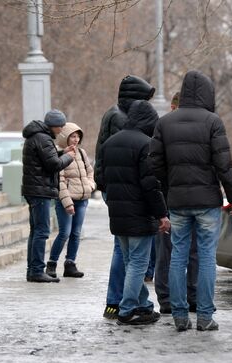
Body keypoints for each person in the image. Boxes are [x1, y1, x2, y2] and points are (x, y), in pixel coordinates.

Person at [150, 70, 232, 332]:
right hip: (207, 202)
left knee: (177, 256)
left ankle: (179, 317)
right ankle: (204, 317)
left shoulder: (164, 123)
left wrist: (171, 186)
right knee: (204, 257)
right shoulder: (212, 121)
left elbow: (154, 162)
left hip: (177, 202)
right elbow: (224, 164)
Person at [96, 100, 170, 325]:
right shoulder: (145, 144)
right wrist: (162, 214)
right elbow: (150, 185)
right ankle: (127, 309)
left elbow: (103, 179)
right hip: (139, 215)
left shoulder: (109, 144)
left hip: (118, 214)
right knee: (138, 263)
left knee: (131, 263)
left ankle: (143, 305)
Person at [94, 75, 155, 318]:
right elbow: (130, 162)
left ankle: (138, 302)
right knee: (126, 252)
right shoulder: (122, 120)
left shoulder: (113, 113)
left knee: (127, 250)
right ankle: (117, 302)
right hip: (124, 191)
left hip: (113, 187)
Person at [153, 92, 199, 315]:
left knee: (179, 251)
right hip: (174, 199)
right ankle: (174, 298)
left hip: (179, 198)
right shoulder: (164, 128)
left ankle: (178, 298)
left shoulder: (165, 128)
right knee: (172, 251)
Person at [22, 109, 76, 283]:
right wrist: (68, 157)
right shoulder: (43, 138)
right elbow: (53, 165)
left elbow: (46, 159)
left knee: (36, 230)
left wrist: (62, 152)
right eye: (60, 126)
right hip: (40, 191)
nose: (61, 130)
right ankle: (37, 270)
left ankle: (33, 269)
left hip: (34, 190)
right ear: (54, 126)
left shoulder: (37, 136)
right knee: (42, 231)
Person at [46, 122, 96, 278]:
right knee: (64, 232)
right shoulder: (59, 154)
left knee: (76, 233)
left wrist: (90, 186)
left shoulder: (81, 153)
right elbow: (59, 181)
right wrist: (67, 203)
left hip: (82, 200)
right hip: (65, 201)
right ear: (65, 137)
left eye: (77, 136)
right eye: (72, 136)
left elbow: (90, 172)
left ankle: (70, 264)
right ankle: (52, 264)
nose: (75, 139)